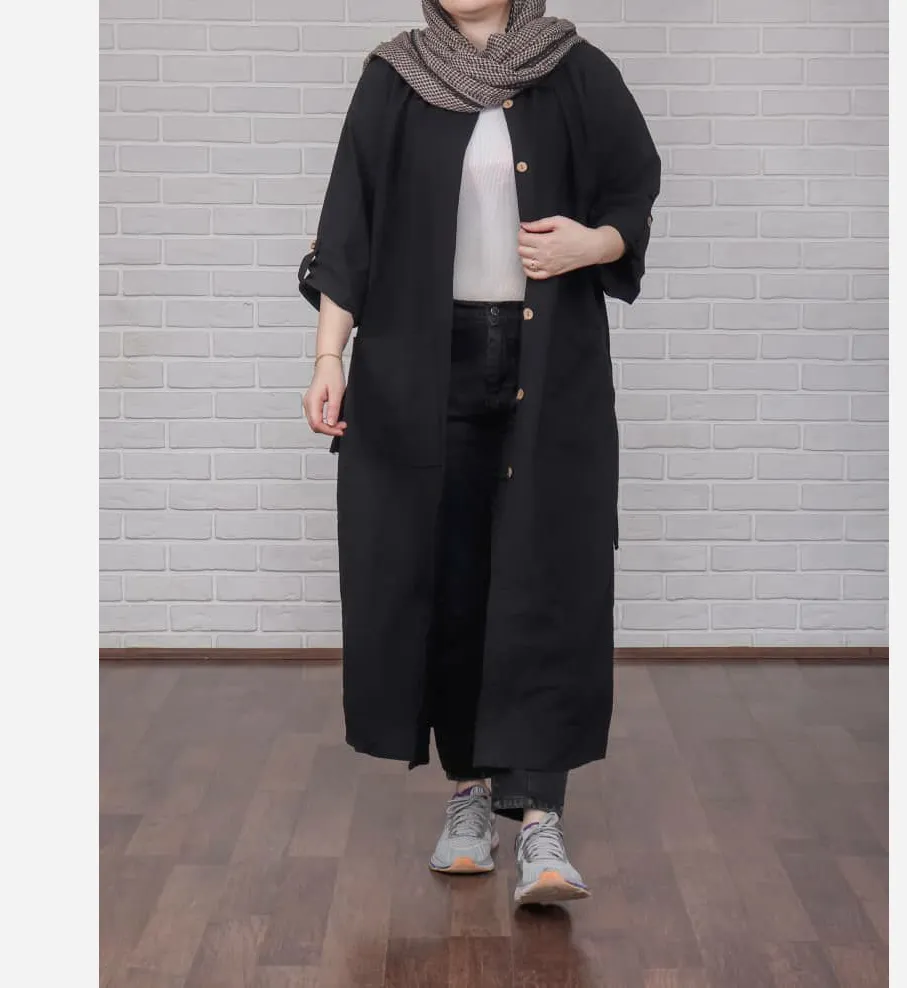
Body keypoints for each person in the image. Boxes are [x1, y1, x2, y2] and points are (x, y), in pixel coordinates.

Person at [300, 0, 660, 906]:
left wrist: (591, 243)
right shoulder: (396, 77)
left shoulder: (572, 67)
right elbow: (348, 226)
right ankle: (467, 796)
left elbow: (633, 190)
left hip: (548, 362)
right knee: (450, 574)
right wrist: (328, 358)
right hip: (423, 366)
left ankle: (538, 820)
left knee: (547, 573)